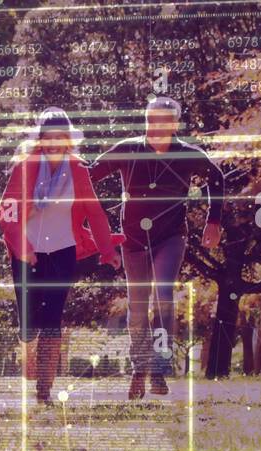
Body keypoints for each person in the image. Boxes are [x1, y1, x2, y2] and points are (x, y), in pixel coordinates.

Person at [89, 96, 224, 399]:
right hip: (133, 239)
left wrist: (213, 220)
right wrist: (84, 219)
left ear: (175, 124)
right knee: (137, 306)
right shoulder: (127, 149)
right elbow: (89, 176)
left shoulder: (188, 154)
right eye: (151, 120)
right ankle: (140, 369)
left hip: (170, 237)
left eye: (163, 121)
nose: (155, 127)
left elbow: (217, 178)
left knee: (163, 294)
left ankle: (160, 370)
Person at [0, 108, 120, 406]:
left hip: (62, 251)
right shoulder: (24, 168)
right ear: (39, 140)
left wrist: (107, 250)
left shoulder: (78, 169)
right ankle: (29, 356)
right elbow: (6, 212)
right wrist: (22, 246)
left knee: (52, 319)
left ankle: (43, 391)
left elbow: (94, 212)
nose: (53, 143)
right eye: (48, 137)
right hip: (26, 252)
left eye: (59, 138)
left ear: (68, 140)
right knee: (29, 320)